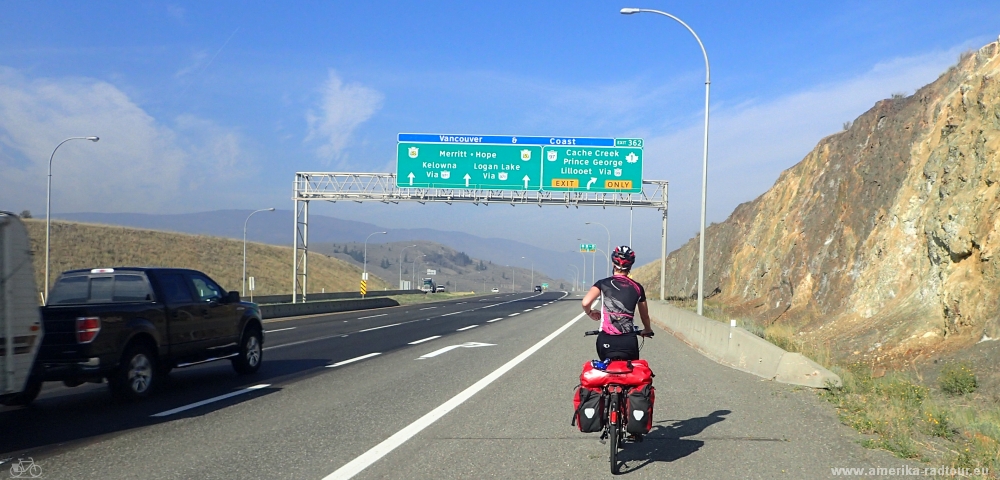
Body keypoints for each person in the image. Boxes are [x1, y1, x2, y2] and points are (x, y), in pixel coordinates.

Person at [581, 245, 653, 361]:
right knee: (631, 373)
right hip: (628, 340)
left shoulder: (603, 283)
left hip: (606, 339)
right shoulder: (638, 287)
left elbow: (585, 302)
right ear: (630, 265)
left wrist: (589, 312)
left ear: (613, 263)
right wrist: (647, 329)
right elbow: (645, 315)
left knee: (606, 370)